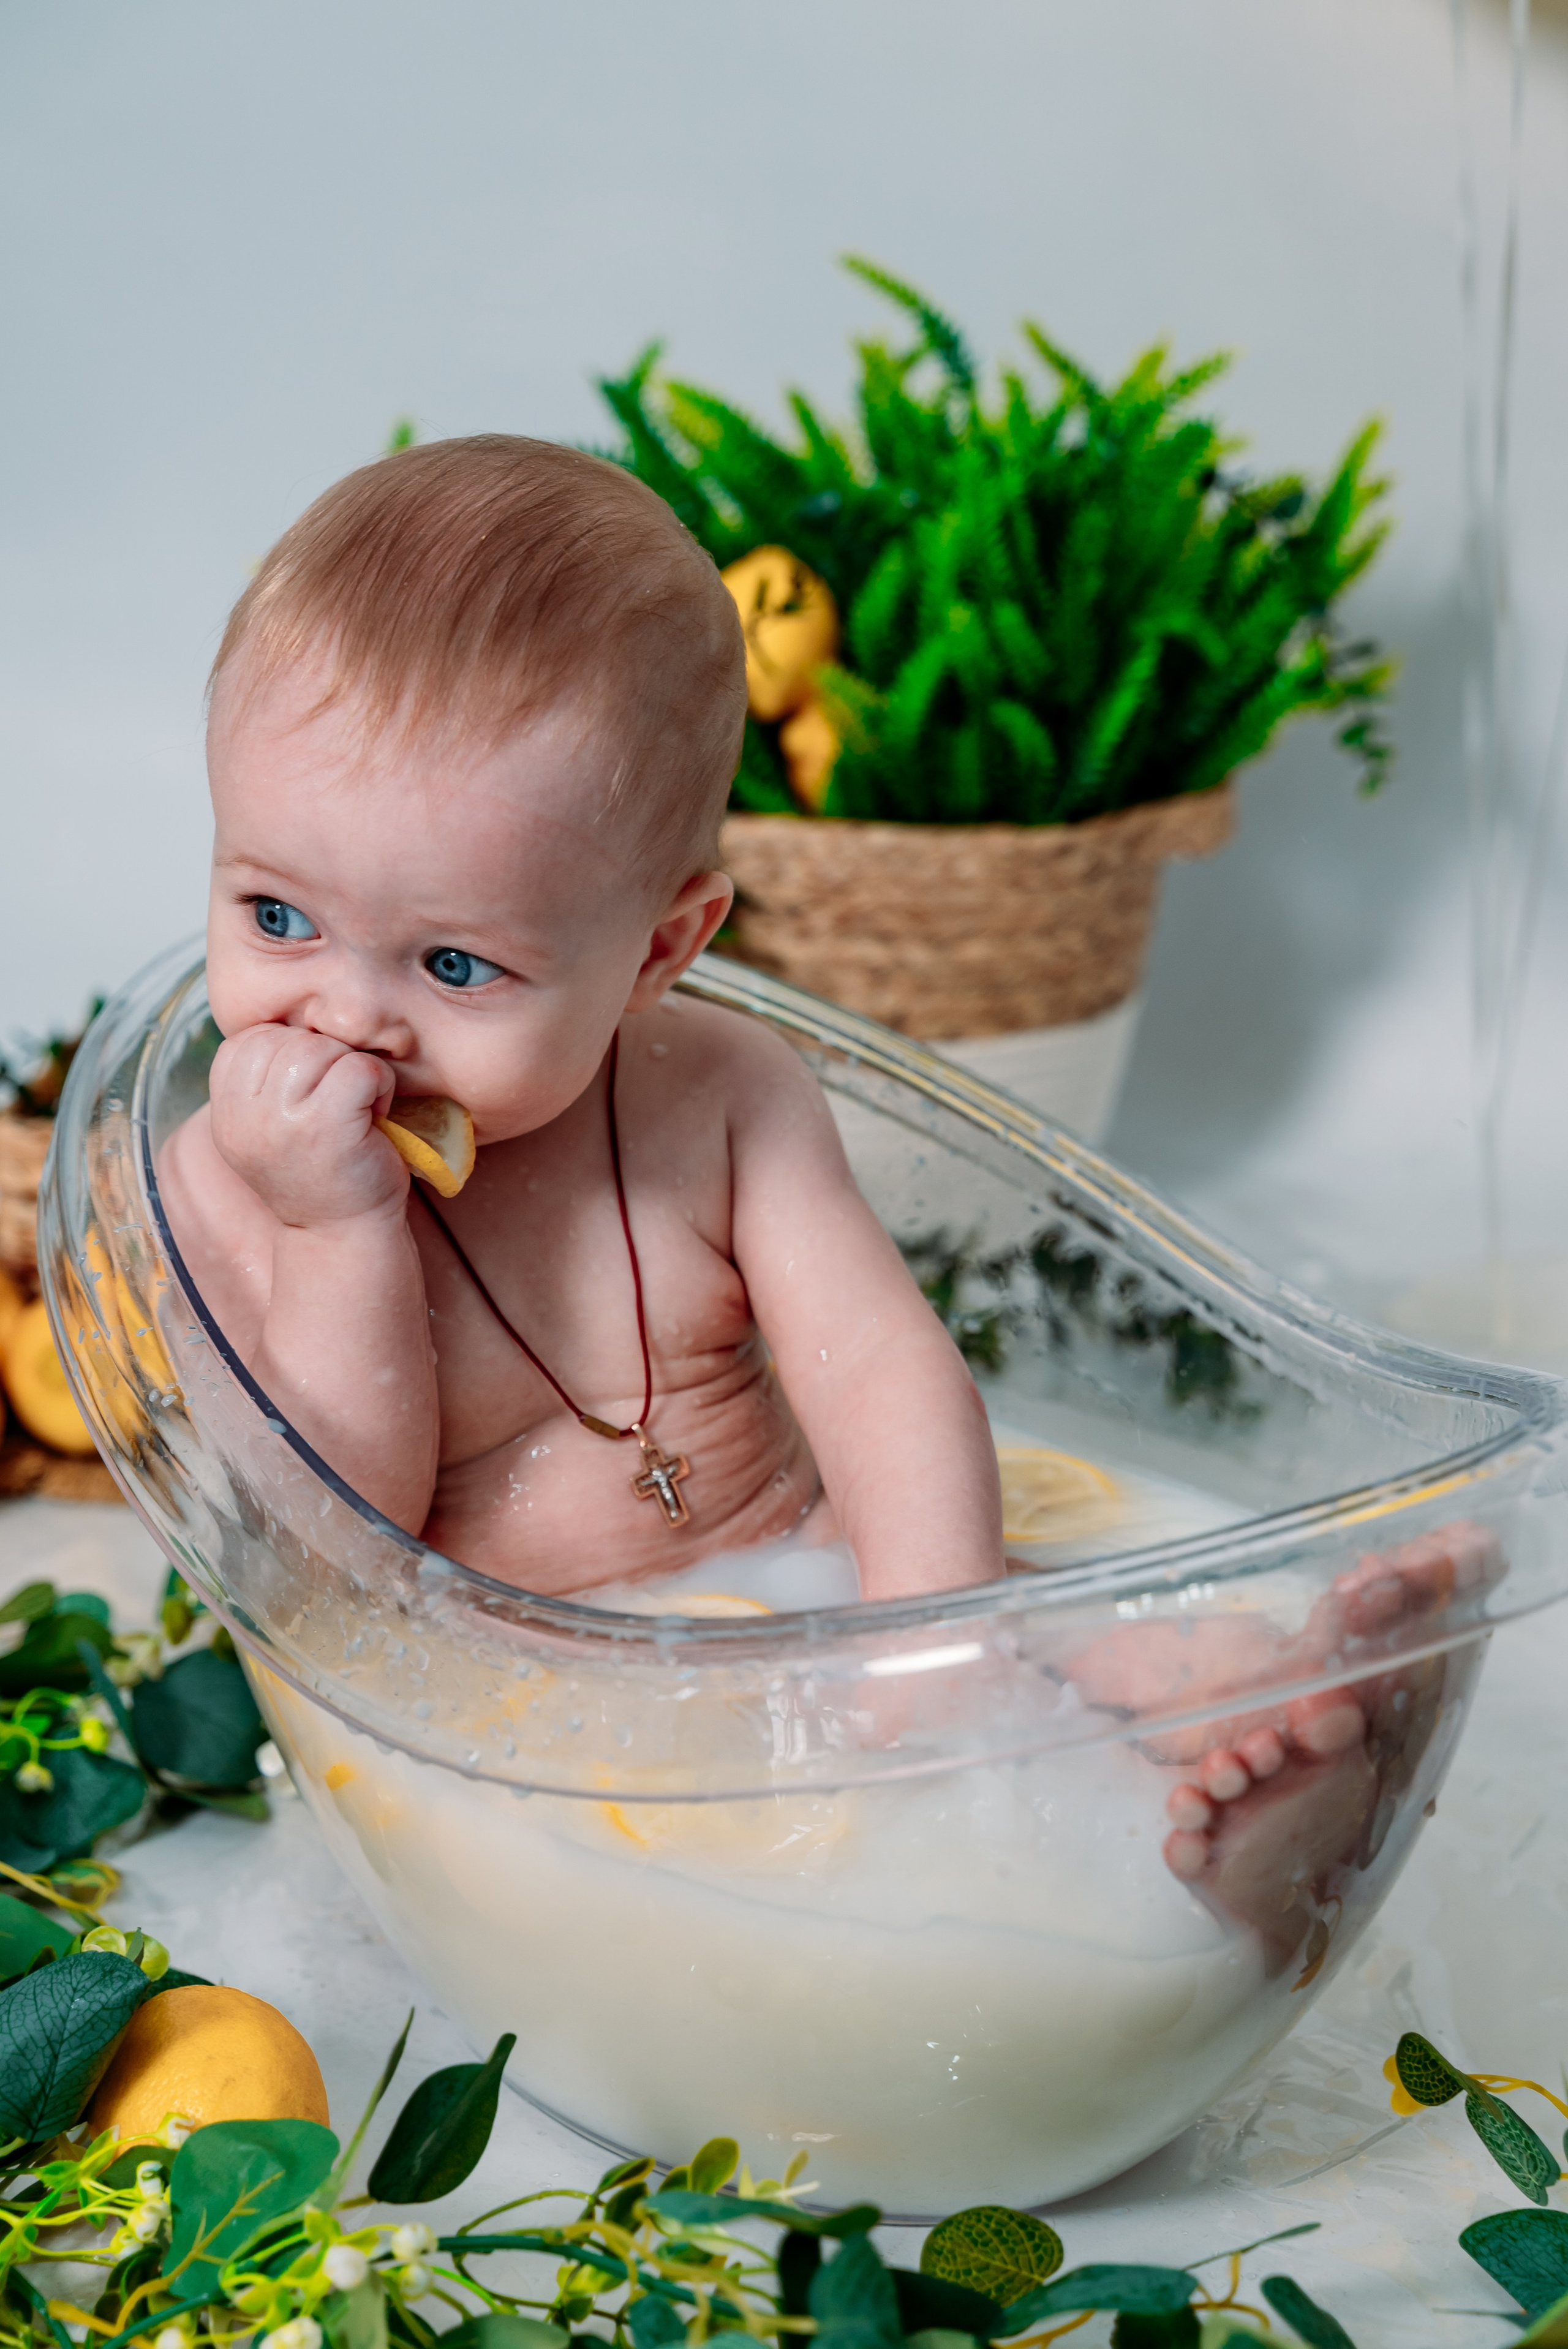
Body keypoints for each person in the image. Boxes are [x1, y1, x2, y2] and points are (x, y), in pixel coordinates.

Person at [159, 435, 1005, 1602]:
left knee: (1080, 1643)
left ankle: (1233, 1714)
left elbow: (875, 1370)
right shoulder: (215, 1187)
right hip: (510, 1698)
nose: (349, 1015)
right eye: (278, 915)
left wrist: (936, 1628)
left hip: (805, 1576)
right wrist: (335, 1237)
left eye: (453, 962)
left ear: (661, 949)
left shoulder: (724, 1097)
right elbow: (319, 1558)